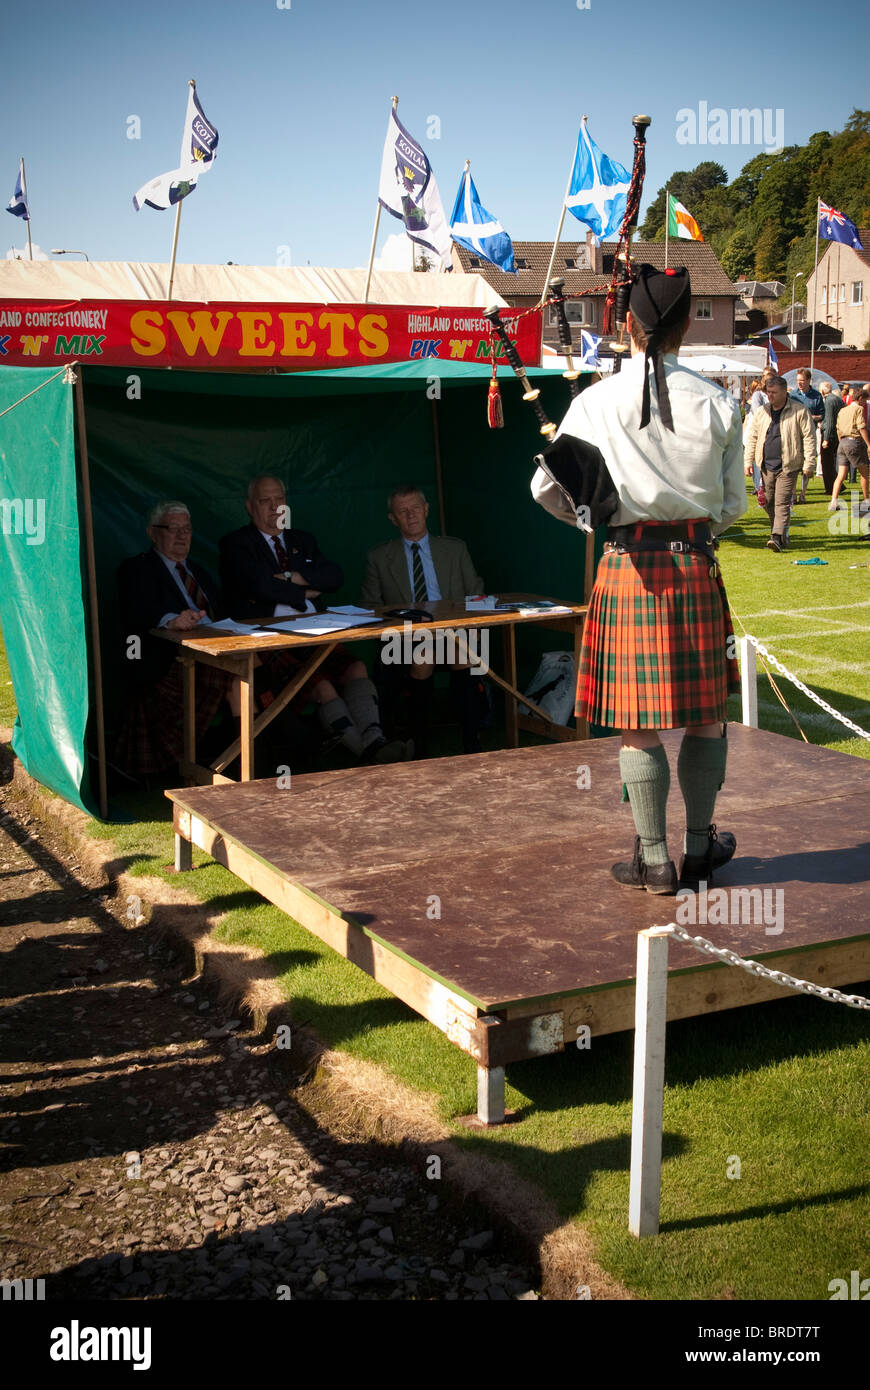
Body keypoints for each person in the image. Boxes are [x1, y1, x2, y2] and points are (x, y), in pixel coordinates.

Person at [531, 264, 746, 896]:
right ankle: (701, 848)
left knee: (638, 718)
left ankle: (654, 861)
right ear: (685, 325)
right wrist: (693, 532)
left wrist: (595, 520)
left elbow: (545, 486)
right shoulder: (718, 400)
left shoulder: (594, 401)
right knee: (707, 714)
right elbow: (732, 504)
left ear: (627, 323)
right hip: (694, 567)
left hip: (627, 567)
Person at [220, 475, 409, 764]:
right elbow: (257, 585)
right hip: (272, 640)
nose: (274, 507)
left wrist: (288, 578)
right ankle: (371, 753)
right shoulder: (236, 544)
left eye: (279, 499)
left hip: (317, 632)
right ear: (249, 506)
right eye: (265, 501)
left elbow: (334, 576)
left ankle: (374, 741)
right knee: (322, 686)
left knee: (356, 668)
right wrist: (303, 590)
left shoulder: (302, 540)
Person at [361, 484, 486, 756]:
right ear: (392, 518)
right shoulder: (379, 557)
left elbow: (476, 593)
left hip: (454, 630)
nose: (411, 515)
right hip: (406, 636)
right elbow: (369, 607)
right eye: (402, 511)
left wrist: (475, 624)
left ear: (426, 510)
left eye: (415, 508)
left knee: (462, 653)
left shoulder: (454, 549)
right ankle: (420, 744)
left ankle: (471, 741)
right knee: (423, 657)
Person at [115, 501, 233, 777]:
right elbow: (137, 609)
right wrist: (171, 620)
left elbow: (221, 613)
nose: (182, 536)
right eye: (173, 529)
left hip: (219, 652)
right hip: (172, 663)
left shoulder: (200, 572)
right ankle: (236, 764)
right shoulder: (137, 569)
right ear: (152, 533)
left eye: (187, 529)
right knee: (238, 680)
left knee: (250, 671)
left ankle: (238, 760)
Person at [744, 376, 815, 552]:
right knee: (768, 501)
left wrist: (810, 464)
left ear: (785, 392)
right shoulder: (762, 411)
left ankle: (776, 537)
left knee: (782, 502)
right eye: (768, 392)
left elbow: (809, 437)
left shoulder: (799, 410)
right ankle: (781, 532)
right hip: (766, 465)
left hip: (788, 465)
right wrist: (748, 461)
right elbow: (752, 437)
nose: (770, 396)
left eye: (774, 392)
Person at [829, 389, 870, 512]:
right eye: (865, 400)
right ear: (860, 398)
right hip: (854, 442)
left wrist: (841, 441)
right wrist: (869, 444)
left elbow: (838, 428)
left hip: (842, 442)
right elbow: (861, 427)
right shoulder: (859, 409)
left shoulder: (843, 410)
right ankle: (866, 501)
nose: (865, 403)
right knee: (864, 473)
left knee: (841, 475)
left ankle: (833, 502)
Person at [789, 368, 824, 502]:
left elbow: (822, 415)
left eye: (802, 381)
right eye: (798, 380)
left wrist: (811, 418)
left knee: (807, 464)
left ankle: (803, 493)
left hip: (809, 434)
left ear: (809, 380)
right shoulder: (793, 395)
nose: (799, 383)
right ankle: (793, 493)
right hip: (794, 434)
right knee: (793, 463)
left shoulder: (816, 396)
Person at [819, 381, 844, 495]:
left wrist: (826, 438)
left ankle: (830, 488)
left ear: (823, 391)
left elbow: (829, 421)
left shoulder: (829, 401)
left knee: (827, 463)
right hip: (837, 433)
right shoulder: (838, 400)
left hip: (829, 435)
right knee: (832, 462)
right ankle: (839, 485)